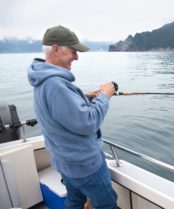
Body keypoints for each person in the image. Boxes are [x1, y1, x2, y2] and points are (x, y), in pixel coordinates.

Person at [27, 25, 117, 209]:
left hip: (64, 162)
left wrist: (85, 98)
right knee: (107, 205)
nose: (76, 57)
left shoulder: (42, 80)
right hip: (85, 166)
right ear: (56, 49)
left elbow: (59, 109)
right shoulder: (57, 85)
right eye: (73, 51)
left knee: (74, 202)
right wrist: (105, 95)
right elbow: (88, 122)